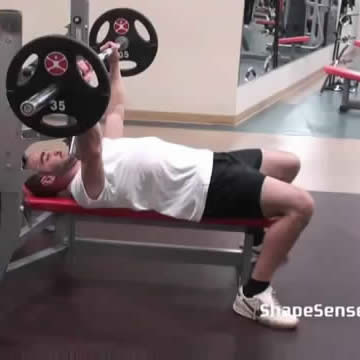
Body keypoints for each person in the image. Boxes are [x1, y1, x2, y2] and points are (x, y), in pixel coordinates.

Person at [23, 41, 314, 330]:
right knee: (300, 206)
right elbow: (93, 146)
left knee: (289, 164)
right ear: (49, 181)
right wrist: (78, 88)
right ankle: (252, 295)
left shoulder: (102, 149)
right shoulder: (85, 188)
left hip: (208, 162)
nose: (52, 152)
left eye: (47, 150)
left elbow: (116, 110)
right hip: (203, 188)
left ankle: (257, 240)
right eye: (45, 159)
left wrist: (112, 66)